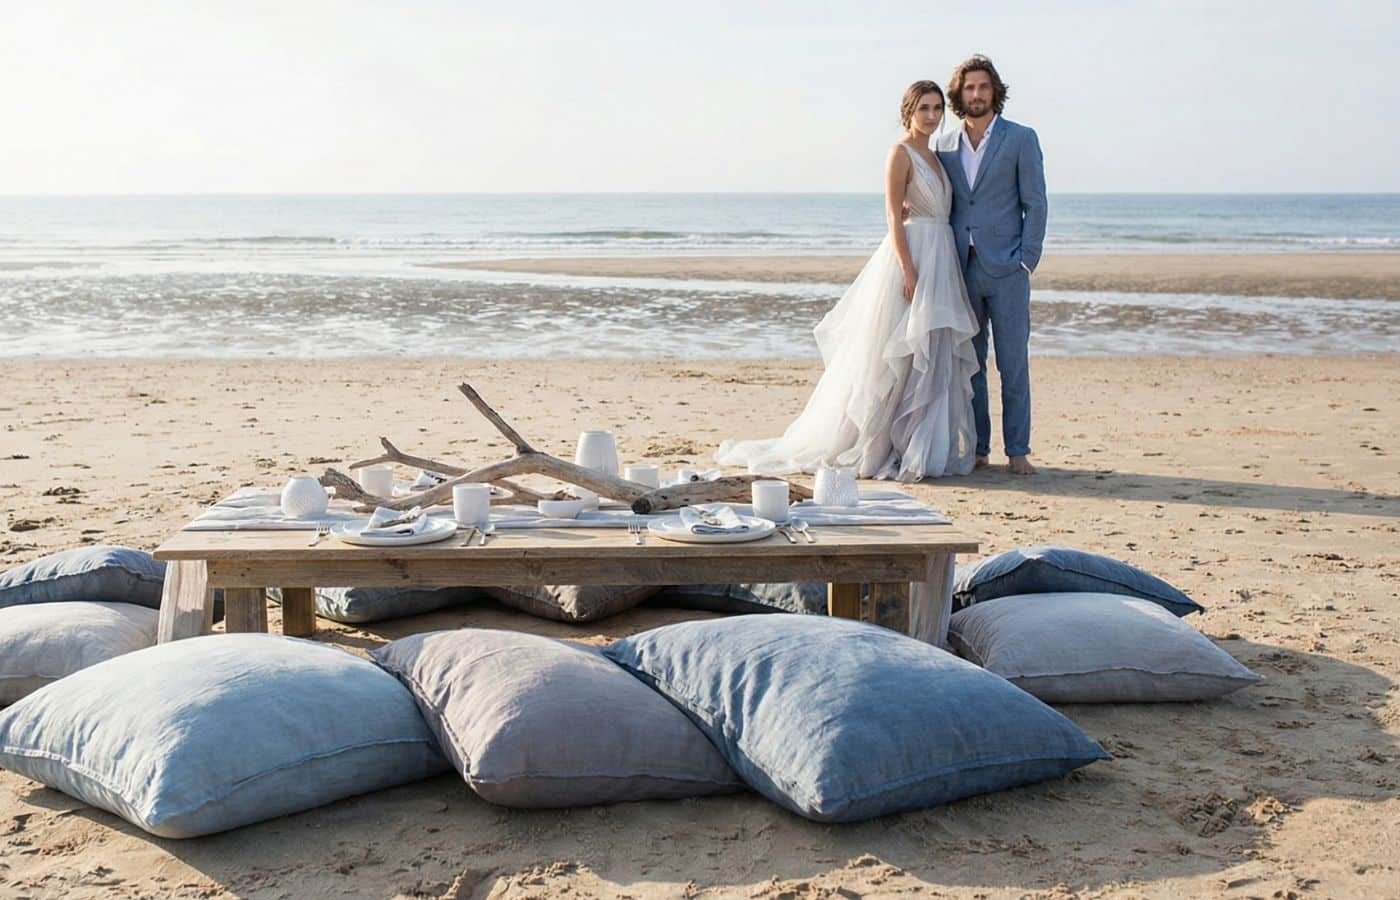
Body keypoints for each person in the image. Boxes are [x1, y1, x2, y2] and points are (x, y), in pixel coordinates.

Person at [716, 80, 978, 481]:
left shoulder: (940, 156)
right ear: (908, 111)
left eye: (937, 108)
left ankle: (919, 443)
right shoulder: (900, 153)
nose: (932, 115)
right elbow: (893, 215)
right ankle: (878, 443)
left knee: (930, 352)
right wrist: (908, 268)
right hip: (913, 255)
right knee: (896, 352)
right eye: (924, 108)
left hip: (942, 256)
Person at [936, 54, 1047, 475]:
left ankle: (1018, 449)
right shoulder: (944, 144)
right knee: (972, 364)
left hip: (1008, 270)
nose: (977, 94)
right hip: (960, 268)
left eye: (983, 87)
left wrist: (1027, 261)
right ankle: (979, 448)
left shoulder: (1020, 138)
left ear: (995, 91)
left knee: (1013, 362)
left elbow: (1035, 204)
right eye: (969, 88)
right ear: (959, 95)